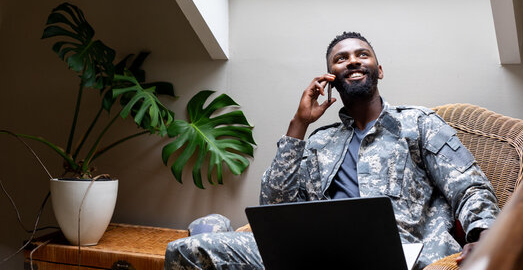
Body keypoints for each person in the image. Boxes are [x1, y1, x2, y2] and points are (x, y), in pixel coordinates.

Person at [165, 32, 500, 270]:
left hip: (396, 254)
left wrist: (483, 236)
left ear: (378, 70)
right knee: (187, 251)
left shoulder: (419, 123)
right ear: (332, 78)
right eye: (341, 59)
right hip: (311, 253)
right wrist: (299, 124)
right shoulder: (318, 141)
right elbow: (274, 206)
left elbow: (469, 186)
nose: (352, 61)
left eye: (362, 55)